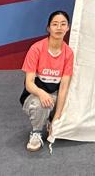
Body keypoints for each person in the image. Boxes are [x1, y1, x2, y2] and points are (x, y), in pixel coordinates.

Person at [20, 10, 75, 152]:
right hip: (34, 96)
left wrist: (57, 117)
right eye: (55, 24)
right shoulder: (36, 49)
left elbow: (63, 88)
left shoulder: (69, 53)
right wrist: (41, 93)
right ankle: (36, 132)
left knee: (73, 105)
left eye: (63, 24)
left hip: (55, 97)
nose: (59, 28)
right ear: (48, 28)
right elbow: (29, 83)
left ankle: (51, 121)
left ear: (68, 28)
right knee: (41, 103)